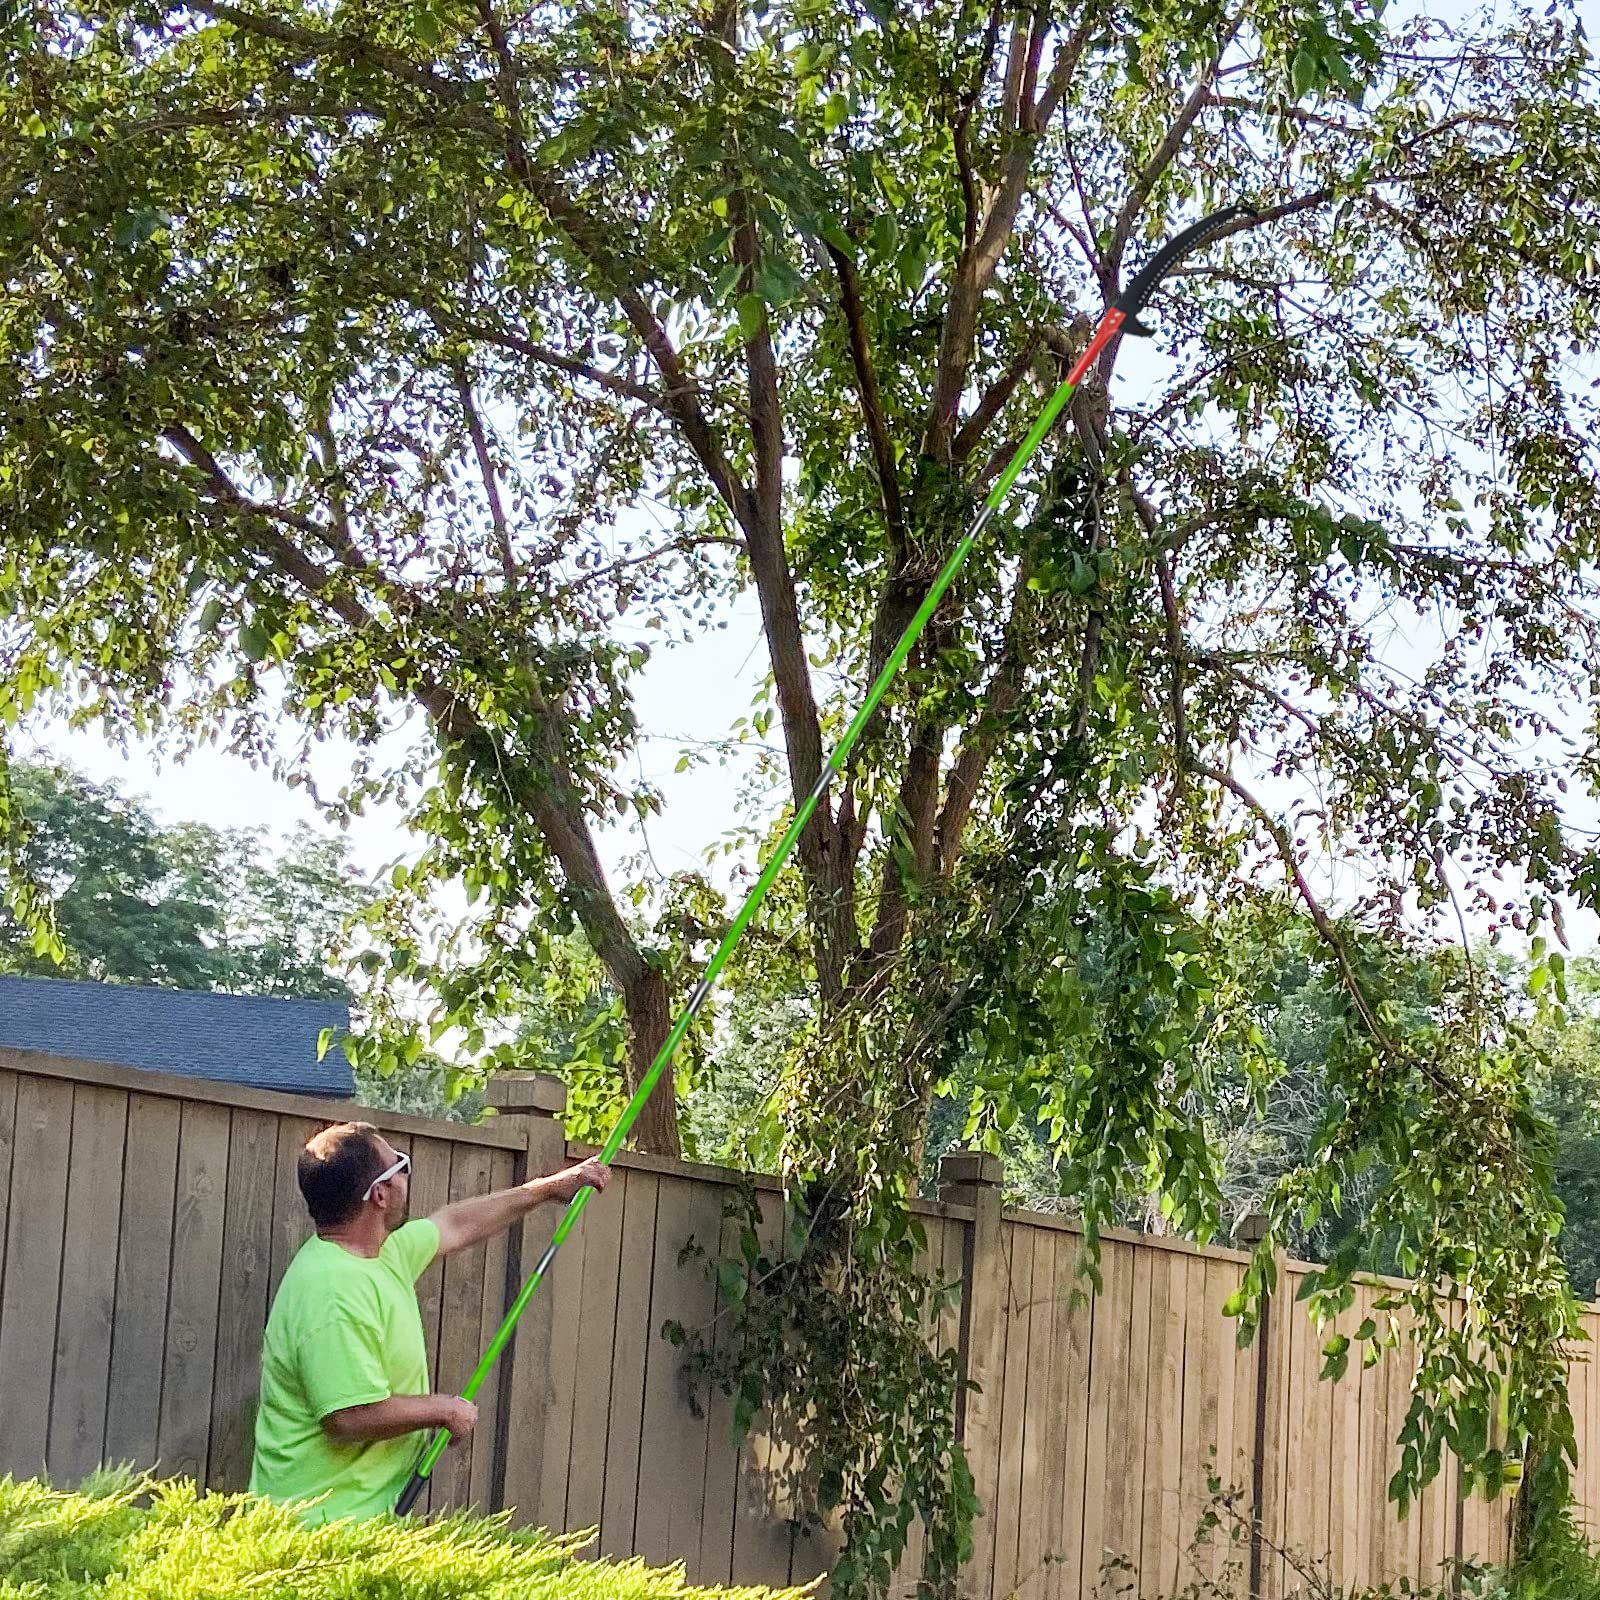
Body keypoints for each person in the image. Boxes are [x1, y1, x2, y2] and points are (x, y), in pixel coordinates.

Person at [249, 1119, 608, 1523]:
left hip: (355, 1517)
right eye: (398, 1165)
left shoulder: (380, 1254)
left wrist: (545, 1189)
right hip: (317, 1529)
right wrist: (443, 1410)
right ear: (380, 1194)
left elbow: (454, 1224)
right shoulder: (333, 1291)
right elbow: (348, 1416)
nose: (406, 1172)